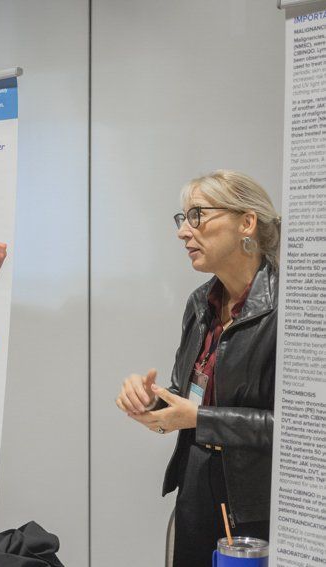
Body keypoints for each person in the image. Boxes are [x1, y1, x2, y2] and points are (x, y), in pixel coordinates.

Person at [115, 170, 281, 566]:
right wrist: (149, 402)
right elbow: (184, 394)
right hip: (194, 486)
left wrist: (200, 418)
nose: (183, 232)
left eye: (197, 216)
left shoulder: (288, 307)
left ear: (246, 221)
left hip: (255, 504)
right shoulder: (199, 301)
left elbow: (299, 427)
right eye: (182, 218)